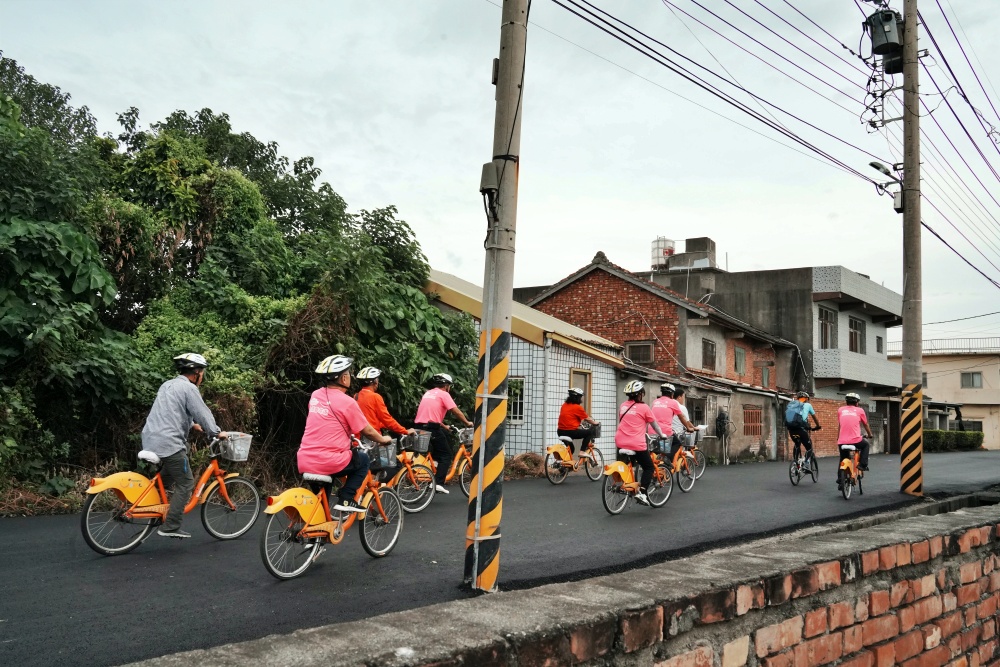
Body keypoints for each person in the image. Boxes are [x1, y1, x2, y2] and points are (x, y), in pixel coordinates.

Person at [141, 353, 228, 539]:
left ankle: (155, 509)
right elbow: (203, 413)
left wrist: (191, 425)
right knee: (186, 482)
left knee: (167, 477)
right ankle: (171, 526)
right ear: (196, 372)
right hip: (168, 443)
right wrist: (215, 432)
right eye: (202, 372)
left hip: (150, 439)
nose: (202, 376)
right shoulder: (189, 389)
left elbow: (169, 413)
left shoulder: (167, 385)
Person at [297, 355, 391, 513]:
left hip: (304, 459)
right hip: (330, 461)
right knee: (362, 459)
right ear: (344, 378)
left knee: (322, 507)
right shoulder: (348, 402)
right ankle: (347, 499)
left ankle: (318, 533)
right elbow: (367, 430)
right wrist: (384, 439)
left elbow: (326, 422)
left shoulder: (315, 395)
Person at [414, 373, 473, 494]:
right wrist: (467, 423)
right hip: (431, 428)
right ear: (446, 386)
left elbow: (429, 415)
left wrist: (444, 426)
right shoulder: (444, 394)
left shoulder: (428, 393)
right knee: (446, 455)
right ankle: (438, 483)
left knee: (438, 450)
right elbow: (455, 411)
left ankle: (432, 472)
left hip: (419, 426)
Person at [356, 367, 415, 478]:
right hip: (373, 439)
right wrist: (404, 431)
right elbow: (387, 419)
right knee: (394, 465)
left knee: (370, 466)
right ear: (375, 382)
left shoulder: (356, 396)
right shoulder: (375, 397)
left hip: (359, 440)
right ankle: (377, 491)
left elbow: (370, 418)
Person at [616, 380, 666, 506]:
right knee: (648, 467)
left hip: (620, 441)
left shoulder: (623, 406)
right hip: (636, 443)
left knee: (629, 464)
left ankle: (627, 483)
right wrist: (662, 435)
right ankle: (642, 493)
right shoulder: (644, 407)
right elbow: (654, 425)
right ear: (641, 394)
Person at [651, 383, 695, 459]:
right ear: (672, 394)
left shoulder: (655, 401)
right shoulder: (673, 402)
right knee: (677, 444)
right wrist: (688, 428)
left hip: (652, 431)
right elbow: (681, 417)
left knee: (657, 449)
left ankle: (659, 463)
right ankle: (667, 461)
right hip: (665, 432)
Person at [837, 392, 873, 485]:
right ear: (857, 402)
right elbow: (865, 424)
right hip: (855, 440)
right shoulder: (860, 410)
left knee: (843, 458)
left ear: (846, 402)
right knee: (865, 445)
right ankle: (862, 465)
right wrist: (870, 434)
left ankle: (840, 478)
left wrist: (838, 438)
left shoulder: (840, 410)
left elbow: (840, 425)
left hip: (842, 441)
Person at [556, 387, 600, 457]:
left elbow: (569, 417)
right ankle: (582, 452)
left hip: (560, 431)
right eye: (580, 397)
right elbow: (587, 419)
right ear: (578, 398)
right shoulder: (577, 407)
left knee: (571, 449)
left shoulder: (564, 405)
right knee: (589, 433)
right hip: (570, 432)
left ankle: (564, 465)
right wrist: (595, 423)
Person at [786, 391, 821, 460]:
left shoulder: (792, 405)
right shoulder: (808, 405)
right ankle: (806, 463)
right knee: (809, 448)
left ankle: (796, 463)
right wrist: (818, 426)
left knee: (797, 444)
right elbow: (815, 418)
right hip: (801, 429)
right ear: (806, 399)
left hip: (791, 429)